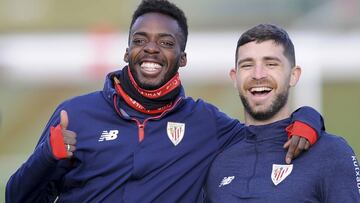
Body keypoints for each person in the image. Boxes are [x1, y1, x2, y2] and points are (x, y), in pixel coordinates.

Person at [6, 1, 323, 202]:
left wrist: (309, 118)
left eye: (166, 42)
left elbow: (265, 137)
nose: (151, 49)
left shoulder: (205, 122)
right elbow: (17, 197)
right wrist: (47, 157)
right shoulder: (74, 115)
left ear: (182, 58)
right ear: (127, 52)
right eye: (140, 40)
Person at [204, 24, 360, 202]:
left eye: (271, 64)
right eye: (247, 65)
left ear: (293, 75)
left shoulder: (331, 153)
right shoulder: (216, 160)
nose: (258, 74)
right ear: (235, 77)